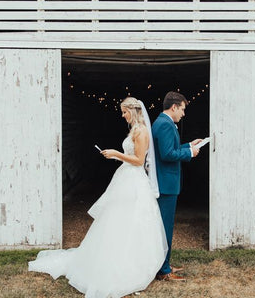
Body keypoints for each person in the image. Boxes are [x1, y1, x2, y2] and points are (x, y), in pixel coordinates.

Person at [28, 97, 167, 298]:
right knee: (117, 221)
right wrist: (115, 155)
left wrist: (116, 154)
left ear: (132, 111)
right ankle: (112, 258)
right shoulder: (134, 130)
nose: (122, 115)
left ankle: (131, 265)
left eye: (124, 111)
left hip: (134, 182)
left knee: (132, 221)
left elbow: (138, 161)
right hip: (125, 179)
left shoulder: (142, 131)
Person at [152, 91, 203, 282]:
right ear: (174, 107)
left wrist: (188, 144)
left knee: (164, 227)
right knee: (164, 228)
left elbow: (171, 148)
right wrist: (189, 152)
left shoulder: (163, 122)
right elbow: (167, 154)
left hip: (166, 183)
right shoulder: (165, 125)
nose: (183, 113)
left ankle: (163, 264)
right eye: (182, 109)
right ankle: (163, 270)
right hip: (166, 185)